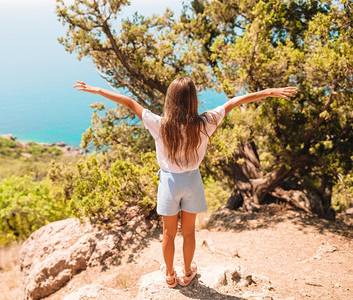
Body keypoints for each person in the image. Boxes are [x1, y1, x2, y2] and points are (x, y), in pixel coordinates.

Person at [73, 77, 297, 287]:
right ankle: (188, 272)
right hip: (193, 181)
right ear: (193, 99)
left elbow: (130, 103)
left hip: (169, 182)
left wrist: (97, 90)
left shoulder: (160, 125)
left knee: (168, 233)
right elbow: (234, 102)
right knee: (189, 232)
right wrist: (268, 92)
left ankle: (170, 276)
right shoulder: (205, 122)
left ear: (170, 99)